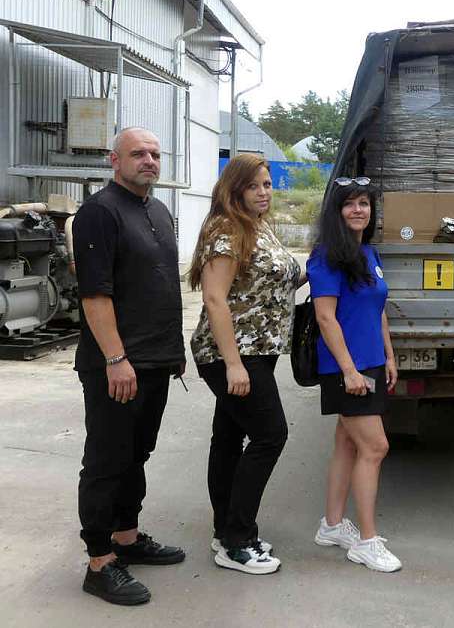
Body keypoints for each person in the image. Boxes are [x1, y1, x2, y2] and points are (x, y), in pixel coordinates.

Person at [73, 127, 186, 605]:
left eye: (155, 154)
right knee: (106, 458)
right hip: (117, 366)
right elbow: (95, 294)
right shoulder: (99, 212)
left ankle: (126, 537)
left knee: (136, 454)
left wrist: (171, 353)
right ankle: (99, 561)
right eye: (138, 153)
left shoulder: (157, 209)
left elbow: (159, 285)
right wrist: (116, 359)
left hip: (155, 362)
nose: (149, 161)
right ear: (113, 160)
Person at [188, 154, 302, 575]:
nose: (263, 192)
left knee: (229, 438)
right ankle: (238, 540)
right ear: (234, 190)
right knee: (271, 435)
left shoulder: (259, 226)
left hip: (258, 353)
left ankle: (226, 530)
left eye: (268, 185)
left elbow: (276, 279)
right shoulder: (227, 230)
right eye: (254, 186)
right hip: (232, 355)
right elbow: (215, 298)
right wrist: (233, 365)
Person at [306, 177, 401, 573]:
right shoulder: (327, 256)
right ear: (336, 211)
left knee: (348, 443)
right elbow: (325, 317)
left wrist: (390, 356)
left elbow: (377, 310)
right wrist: (348, 370)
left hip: (371, 363)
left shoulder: (370, 253)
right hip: (345, 368)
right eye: (350, 204)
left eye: (364, 203)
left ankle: (331, 526)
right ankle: (366, 541)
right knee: (375, 448)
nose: (358, 210)